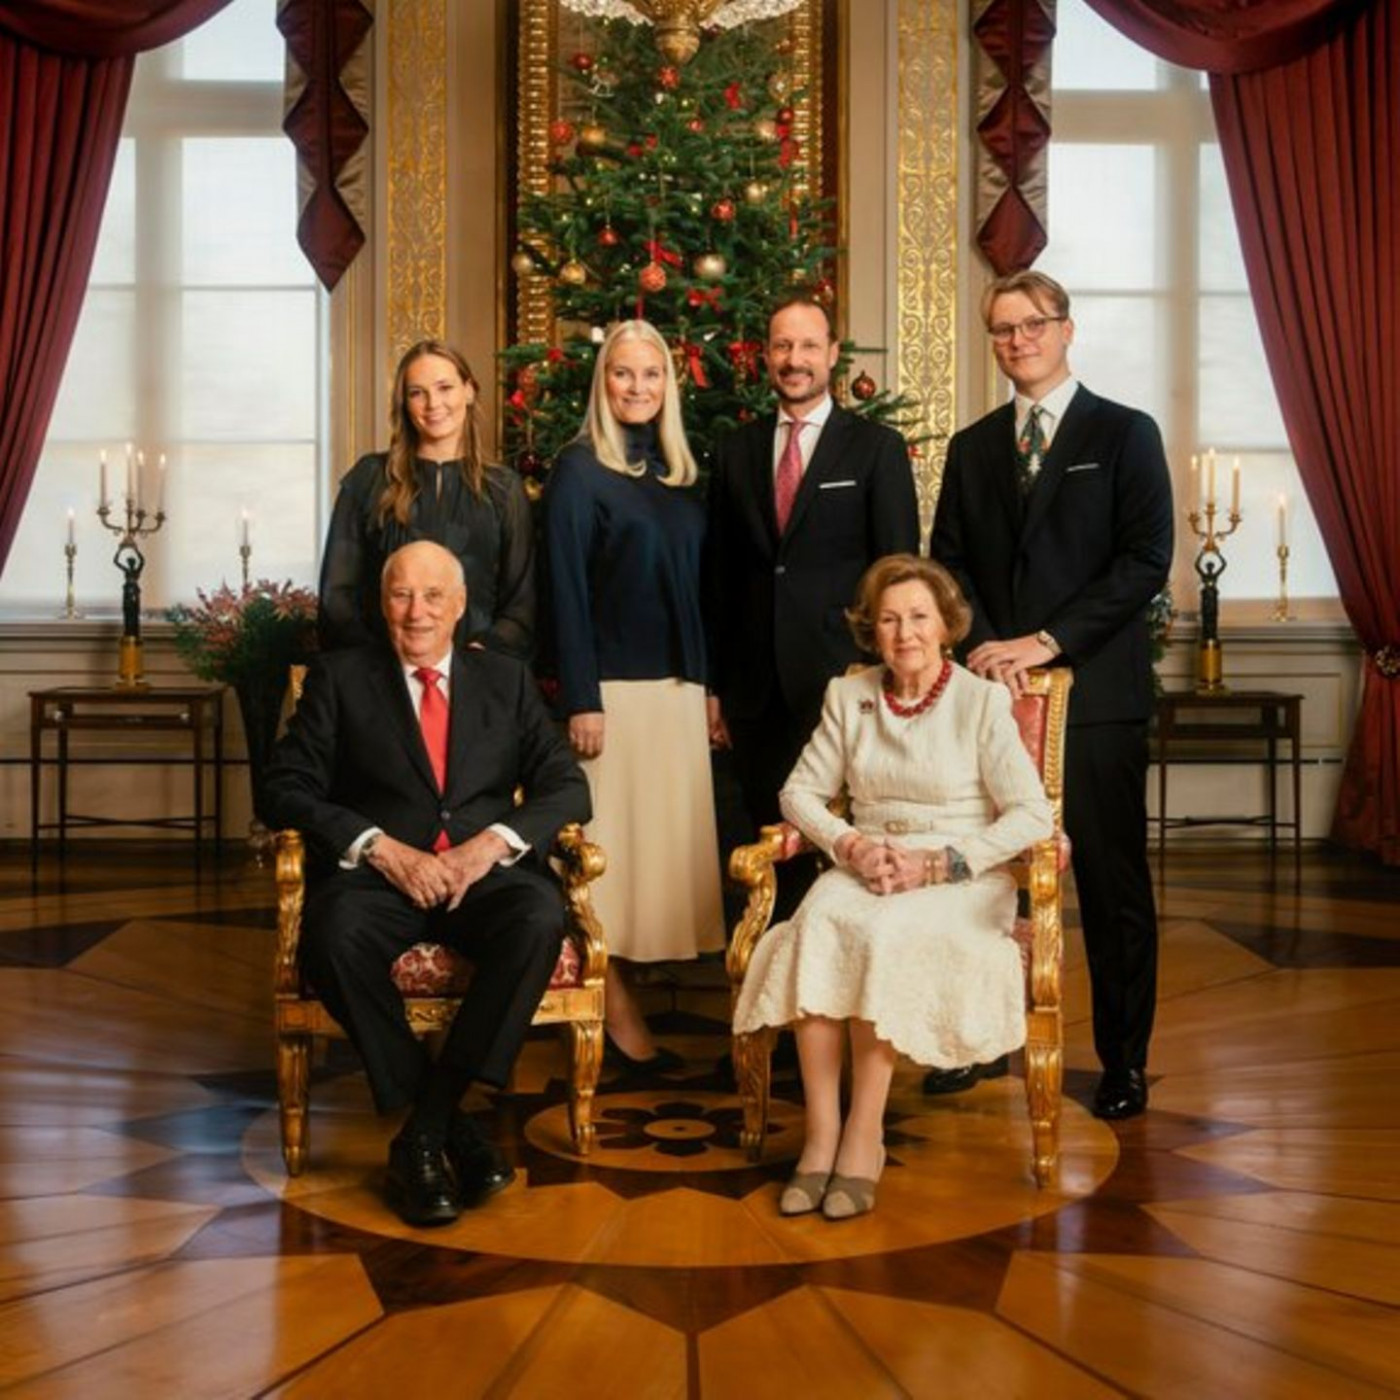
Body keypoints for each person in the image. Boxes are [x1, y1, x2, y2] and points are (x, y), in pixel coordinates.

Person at [263, 541, 590, 1227]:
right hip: (381, 880)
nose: (417, 613)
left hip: (483, 879)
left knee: (536, 918)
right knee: (331, 934)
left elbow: (566, 786)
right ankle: (451, 1132)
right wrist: (376, 847)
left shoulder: (505, 679)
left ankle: (423, 1131)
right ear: (382, 604)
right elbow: (285, 787)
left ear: (461, 605)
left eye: (433, 595)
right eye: (402, 595)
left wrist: (489, 847)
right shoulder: (341, 677)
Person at [733, 555, 1053, 1219]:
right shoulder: (848, 696)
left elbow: (1031, 814)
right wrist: (850, 845)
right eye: (888, 620)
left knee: (884, 932)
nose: (904, 632)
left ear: (945, 626)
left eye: (918, 617)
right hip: (869, 858)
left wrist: (940, 864)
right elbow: (798, 793)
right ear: (871, 632)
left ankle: (864, 1134)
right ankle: (820, 1136)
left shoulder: (982, 699)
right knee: (817, 927)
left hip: (958, 870)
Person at [929, 269, 1173, 1120]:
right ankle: (968, 1043)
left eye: (1032, 324)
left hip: (1096, 697)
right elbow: (948, 563)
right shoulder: (975, 446)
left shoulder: (1126, 433)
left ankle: (1124, 1061)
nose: (1017, 340)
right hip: (991, 702)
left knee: (1109, 886)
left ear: (1067, 330)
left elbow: (1145, 559)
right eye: (1001, 329)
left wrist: (1047, 641)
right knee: (981, 880)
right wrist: (992, 651)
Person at [542, 319, 725, 1070]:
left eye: (652, 374)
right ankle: (612, 1019)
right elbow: (565, 593)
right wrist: (582, 696)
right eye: (623, 373)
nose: (637, 387)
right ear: (603, 381)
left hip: (678, 696)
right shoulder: (579, 471)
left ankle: (623, 1009)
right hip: (611, 696)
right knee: (605, 871)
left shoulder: (679, 475)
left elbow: (700, 593)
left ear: (668, 386)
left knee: (660, 863)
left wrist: (709, 689)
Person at [705, 289, 920, 911]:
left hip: (844, 683)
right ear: (765, 358)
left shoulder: (875, 449)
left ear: (831, 354)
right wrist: (715, 688)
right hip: (753, 691)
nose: (793, 358)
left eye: (806, 345)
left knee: (844, 843)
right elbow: (717, 578)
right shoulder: (736, 451)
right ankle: (778, 990)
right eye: (781, 346)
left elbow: (897, 574)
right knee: (768, 846)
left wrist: (888, 676)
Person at [318, 339, 535, 658]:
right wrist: (385, 666)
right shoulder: (369, 479)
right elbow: (336, 598)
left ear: (469, 390)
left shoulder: (504, 490)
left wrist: (475, 661)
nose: (433, 403)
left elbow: (522, 604)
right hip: (381, 677)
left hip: (478, 676)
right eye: (417, 393)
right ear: (404, 404)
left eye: (445, 387)